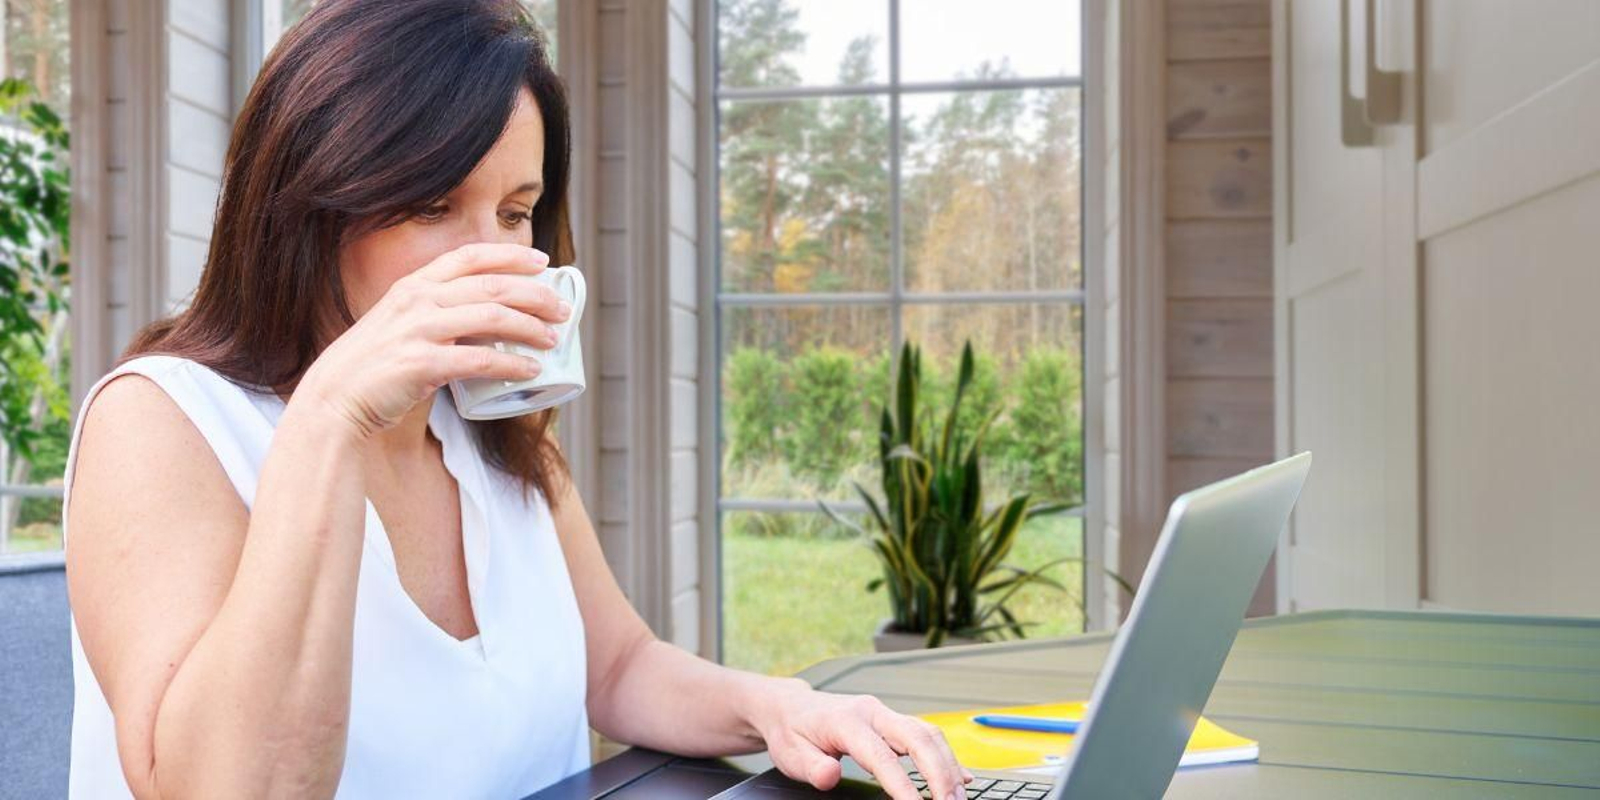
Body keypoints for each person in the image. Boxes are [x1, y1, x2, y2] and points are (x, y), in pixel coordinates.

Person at [61, 1, 972, 798]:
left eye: (513, 212)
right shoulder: (158, 423)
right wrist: (332, 416)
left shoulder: (486, 423)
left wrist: (783, 708)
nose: (491, 256)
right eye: (429, 206)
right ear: (307, 209)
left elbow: (617, 667)